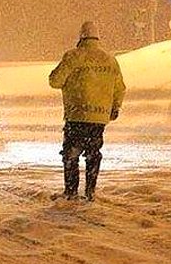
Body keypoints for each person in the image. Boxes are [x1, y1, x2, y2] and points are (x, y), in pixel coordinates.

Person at [49, 21, 126, 201]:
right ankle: (90, 191)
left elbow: (55, 81)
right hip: (99, 117)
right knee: (93, 153)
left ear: (81, 37)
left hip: (77, 114)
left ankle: (71, 192)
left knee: (71, 154)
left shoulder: (73, 56)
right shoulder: (110, 60)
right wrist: (115, 106)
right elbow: (120, 88)